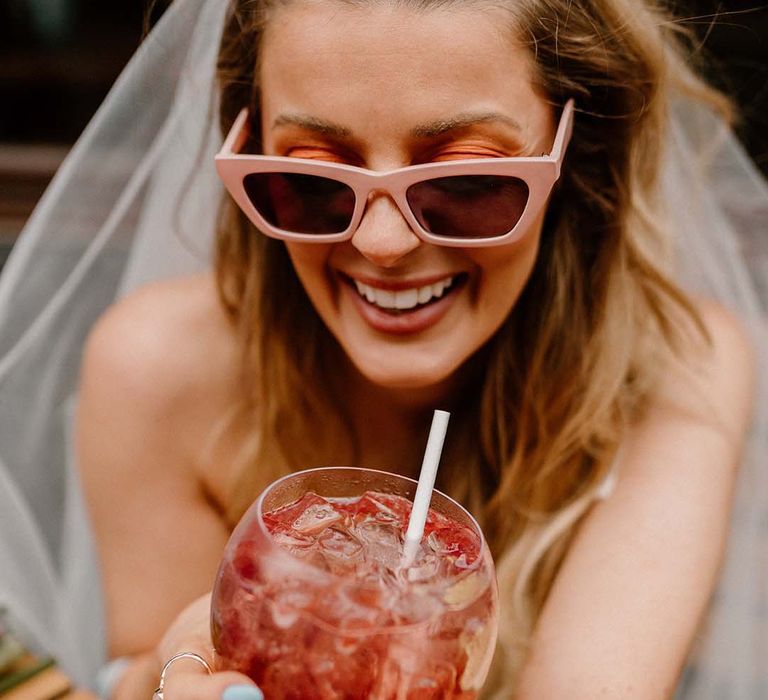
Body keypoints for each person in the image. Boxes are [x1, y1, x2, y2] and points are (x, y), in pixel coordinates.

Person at [0, 0, 766, 698]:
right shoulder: (156, 368)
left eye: (466, 181)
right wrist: (166, 679)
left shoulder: (675, 366)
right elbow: (147, 658)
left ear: (578, 152)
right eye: (314, 182)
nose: (383, 243)